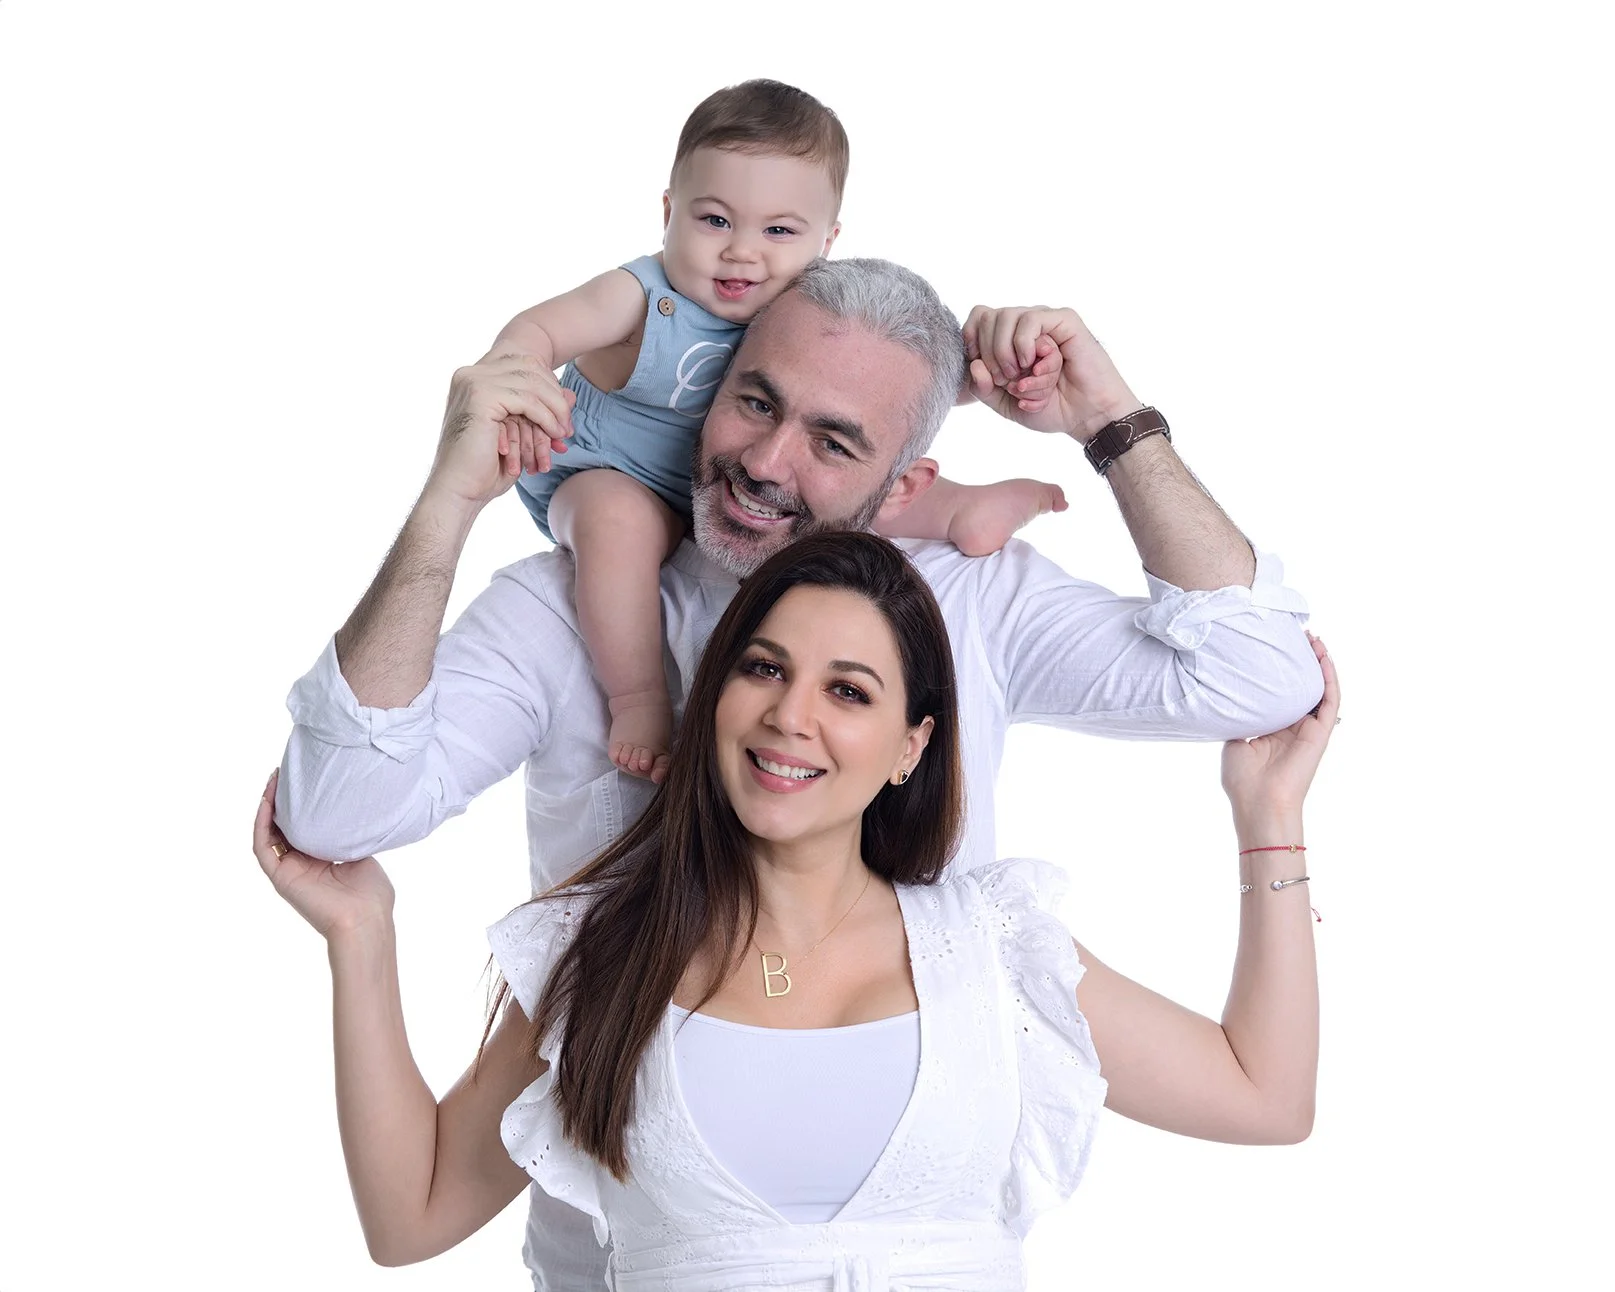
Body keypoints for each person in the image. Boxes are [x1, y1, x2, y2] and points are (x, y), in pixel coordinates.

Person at [276, 255, 1325, 1285]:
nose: (768, 462)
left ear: (919, 737)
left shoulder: (986, 917)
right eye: (754, 403)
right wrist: (445, 502)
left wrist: (1109, 413)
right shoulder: (590, 902)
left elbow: (1259, 675)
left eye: (832, 439)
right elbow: (333, 814)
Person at [490, 79, 1065, 782]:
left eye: (778, 231)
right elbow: (541, 328)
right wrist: (515, 378)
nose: (742, 254)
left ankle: (963, 508)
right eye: (713, 221)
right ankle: (638, 696)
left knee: (850, 476)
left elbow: (877, 393)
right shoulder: (642, 298)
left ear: (826, 242)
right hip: (603, 470)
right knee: (619, 525)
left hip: (722, 482)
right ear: (668, 213)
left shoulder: (793, 310)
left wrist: (982, 379)